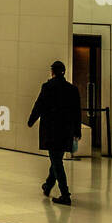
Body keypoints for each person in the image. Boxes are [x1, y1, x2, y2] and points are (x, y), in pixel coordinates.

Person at [27, 60, 83, 207]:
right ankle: (48, 185)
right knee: (57, 158)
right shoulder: (72, 89)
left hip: (51, 130)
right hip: (66, 131)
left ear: (52, 72)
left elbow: (39, 105)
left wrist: (31, 120)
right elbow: (77, 112)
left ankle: (65, 194)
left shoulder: (47, 87)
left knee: (56, 161)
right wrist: (77, 131)